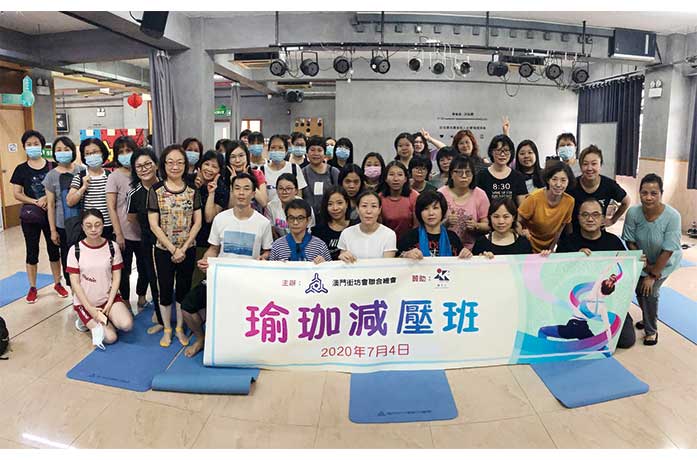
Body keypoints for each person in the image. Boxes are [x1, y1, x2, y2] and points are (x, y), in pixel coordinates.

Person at [181, 172, 272, 357]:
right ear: (232, 191)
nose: (241, 193)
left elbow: (267, 251)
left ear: (253, 193)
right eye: (237, 188)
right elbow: (213, 249)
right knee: (187, 306)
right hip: (220, 279)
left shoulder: (263, 223)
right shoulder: (221, 219)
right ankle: (201, 338)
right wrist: (206, 259)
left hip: (248, 282)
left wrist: (264, 258)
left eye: (246, 189)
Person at [556, 198, 635, 348]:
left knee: (626, 340)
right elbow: (558, 274)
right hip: (577, 303)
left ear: (603, 218)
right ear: (578, 218)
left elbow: (626, 272)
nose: (590, 219)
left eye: (595, 214)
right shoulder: (568, 242)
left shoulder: (614, 242)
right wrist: (575, 259)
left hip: (610, 304)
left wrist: (638, 263)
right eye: (585, 215)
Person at [148, 145, 202, 348]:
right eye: (170, 162)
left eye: (180, 162)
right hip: (163, 250)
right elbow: (154, 224)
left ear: (185, 165)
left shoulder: (193, 190)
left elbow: (197, 222)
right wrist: (172, 249)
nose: (175, 166)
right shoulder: (156, 190)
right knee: (164, 289)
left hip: (188, 249)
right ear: (163, 165)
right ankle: (167, 329)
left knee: (183, 289)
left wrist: (184, 248)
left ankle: (179, 327)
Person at [622, 174, 682, 346]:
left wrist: (652, 275)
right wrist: (644, 264)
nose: (648, 197)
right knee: (639, 289)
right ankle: (647, 316)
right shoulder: (633, 213)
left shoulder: (673, 216)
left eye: (654, 193)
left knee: (649, 291)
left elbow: (668, 250)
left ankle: (651, 331)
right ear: (639, 193)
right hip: (642, 260)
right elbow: (630, 240)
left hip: (665, 262)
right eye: (644, 193)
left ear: (661, 194)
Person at [12, 130, 66, 303]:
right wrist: (35, 201)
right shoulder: (20, 169)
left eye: (36, 144)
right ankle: (33, 287)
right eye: (29, 144)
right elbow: (17, 193)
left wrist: (46, 199)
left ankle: (57, 283)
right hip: (31, 217)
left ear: (42, 146)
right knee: (32, 250)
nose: (32, 147)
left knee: (54, 249)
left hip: (51, 215)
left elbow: (59, 189)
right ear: (24, 147)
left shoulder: (52, 166)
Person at [66, 209, 133, 347]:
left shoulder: (112, 247)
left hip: (108, 299)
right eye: (89, 225)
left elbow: (117, 278)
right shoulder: (75, 250)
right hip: (86, 304)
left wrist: (110, 302)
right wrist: (91, 309)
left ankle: (107, 317)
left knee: (127, 325)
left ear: (103, 225)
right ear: (82, 227)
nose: (93, 229)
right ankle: (83, 321)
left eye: (97, 225)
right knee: (111, 338)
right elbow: (75, 284)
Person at [106, 136, 148, 310]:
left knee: (145, 267)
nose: (125, 154)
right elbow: (111, 207)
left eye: (128, 150)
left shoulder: (143, 173)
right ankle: (125, 300)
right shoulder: (114, 177)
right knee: (124, 270)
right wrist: (118, 233)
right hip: (124, 233)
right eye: (121, 152)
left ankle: (142, 296)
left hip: (144, 232)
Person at [127, 148, 162, 334]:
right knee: (153, 278)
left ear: (156, 165)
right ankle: (160, 313)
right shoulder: (134, 194)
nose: (144, 169)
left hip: (174, 240)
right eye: (139, 166)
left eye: (148, 164)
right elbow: (132, 218)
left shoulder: (166, 187)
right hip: (148, 242)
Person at [43, 136, 82, 291]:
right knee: (68, 259)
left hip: (83, 223)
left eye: (66, 149)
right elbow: (51, 205)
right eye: (59, 150)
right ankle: (74, 292)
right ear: (54, 153)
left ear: (72, 151)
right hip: (63, 225)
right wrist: (53, 230)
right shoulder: (51, 176)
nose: (63, 152)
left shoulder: (81, 170)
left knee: (84, 259)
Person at [568, 145, 630, 232]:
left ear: (600, 165)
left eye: (594, 164)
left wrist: (612, 220)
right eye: (585, 164)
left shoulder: (609, 185)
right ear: (581, 166)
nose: (589, 168)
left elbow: (626, 202)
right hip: (576, 233)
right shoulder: (572, 185)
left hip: (599, 234)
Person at [518, 161, 575, 253]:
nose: (558, 184)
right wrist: (523, 233)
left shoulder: (569, 201)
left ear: (568, 182)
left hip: (549, 249)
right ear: (548, 180)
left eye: (563, 180)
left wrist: (551, 248)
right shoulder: (533, 198)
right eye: (554, 179)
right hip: (528, 246)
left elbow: (560, 228)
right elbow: (517, 221)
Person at [437, 155, 490, 250]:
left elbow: (488, 225)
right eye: (459, 172)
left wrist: (476, 225)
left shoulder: (480, 194)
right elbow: (431, 224)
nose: (464, 176)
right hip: (445, 247)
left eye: (468, 172)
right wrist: (446, 222)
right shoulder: (441, 194)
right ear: (451, 174)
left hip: (472, 249)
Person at [191, 150, 227, 287]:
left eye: (214, 166)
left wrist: (211, 193)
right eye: (207, 164)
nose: (209, 169)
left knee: (198, 282)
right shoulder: (189, 181)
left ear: (219, 171)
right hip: (185, 240)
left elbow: (209, 217)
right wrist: (195, 188)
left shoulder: (221, 189)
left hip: (205, 242)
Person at [398, 190, 467, 258]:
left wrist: (466, 255)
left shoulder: (452, 237)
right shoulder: (410, 237)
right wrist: (405, 255)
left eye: (435, 208)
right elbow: (395, 259)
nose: (431, 213)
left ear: (442, 210)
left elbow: (462, 261)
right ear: (419, 212)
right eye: (425, 209)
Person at [67, 138, 113, 239]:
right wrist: (83, 187)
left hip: (109, 225)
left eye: (95, 152)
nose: (92, 156)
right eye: (87, 153)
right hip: (89, 227)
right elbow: (70, 201)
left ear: (103, 153)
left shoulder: (110, 176)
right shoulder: (80, 177)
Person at [338, 191, 397, 262]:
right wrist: (343, 257)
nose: (369, 211)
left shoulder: (389, 234)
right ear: (357, 209)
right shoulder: (346, 233)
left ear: (379, 210)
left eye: (374, 206)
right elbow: (343, 262)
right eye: (364, 206)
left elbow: (387, 265)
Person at [476, 134, 528, 206]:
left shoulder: (518, 177)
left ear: (511, 152)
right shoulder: (482, 175)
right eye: (498, 150)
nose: (502, 154)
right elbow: (477, 204)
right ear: (491, 152)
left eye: (506, 150)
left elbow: (523, 207)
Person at [302, 136, 340, 225]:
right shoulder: (302, 173)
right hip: (309, 221)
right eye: (312, 150)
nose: (316, 153)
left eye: (319, 150)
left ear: (324, 153)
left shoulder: (333, 172)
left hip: (331, 219)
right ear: (307, 153)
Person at [379, 161, 419, 241]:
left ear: (405, 179)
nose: (396, 179)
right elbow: (379, 227)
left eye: (400, 175)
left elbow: (416, 226)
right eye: (391, 175)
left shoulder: (414, 196)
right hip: (386, 240)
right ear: (385, 178)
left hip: (410, 241)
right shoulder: (379, 198)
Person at [265, 173, 315, 238]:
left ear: (296, 190)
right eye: (281, 188)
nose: (284, 192)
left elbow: (309, 230)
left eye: (288, 188)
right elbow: (272, 232)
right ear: (276, 190)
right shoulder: (271, 207)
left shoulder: (306, 207)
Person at [261, 134, 307, 202]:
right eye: (273, 147)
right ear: (268, 150)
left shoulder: (294, 168)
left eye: (280, 148)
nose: (276, 150)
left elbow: (299, 195)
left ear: (286, 151)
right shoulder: (262, 170)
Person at [224, 140, 268, 210]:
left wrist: (248, 179)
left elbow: (264, 202)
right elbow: (231, 208)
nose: (237, 160)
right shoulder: (223, 178)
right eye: (233, 157)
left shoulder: (258, 174)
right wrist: (233, 183)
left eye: (241, 155)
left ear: (247, 156)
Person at [311, 186, 352, 260]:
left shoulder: (356, 227)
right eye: (330, 204)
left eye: (339, 203)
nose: (335, 208)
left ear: (347, 204)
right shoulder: (318, 231)